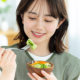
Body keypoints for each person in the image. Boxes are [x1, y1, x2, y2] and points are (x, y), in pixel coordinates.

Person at [0, 0, 80, 80]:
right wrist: (7, 74)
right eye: (32, 18)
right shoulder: (3, 56)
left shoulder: (73, 65)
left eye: (48, 20)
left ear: (59, 22)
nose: (39, 26)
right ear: (22, 17)